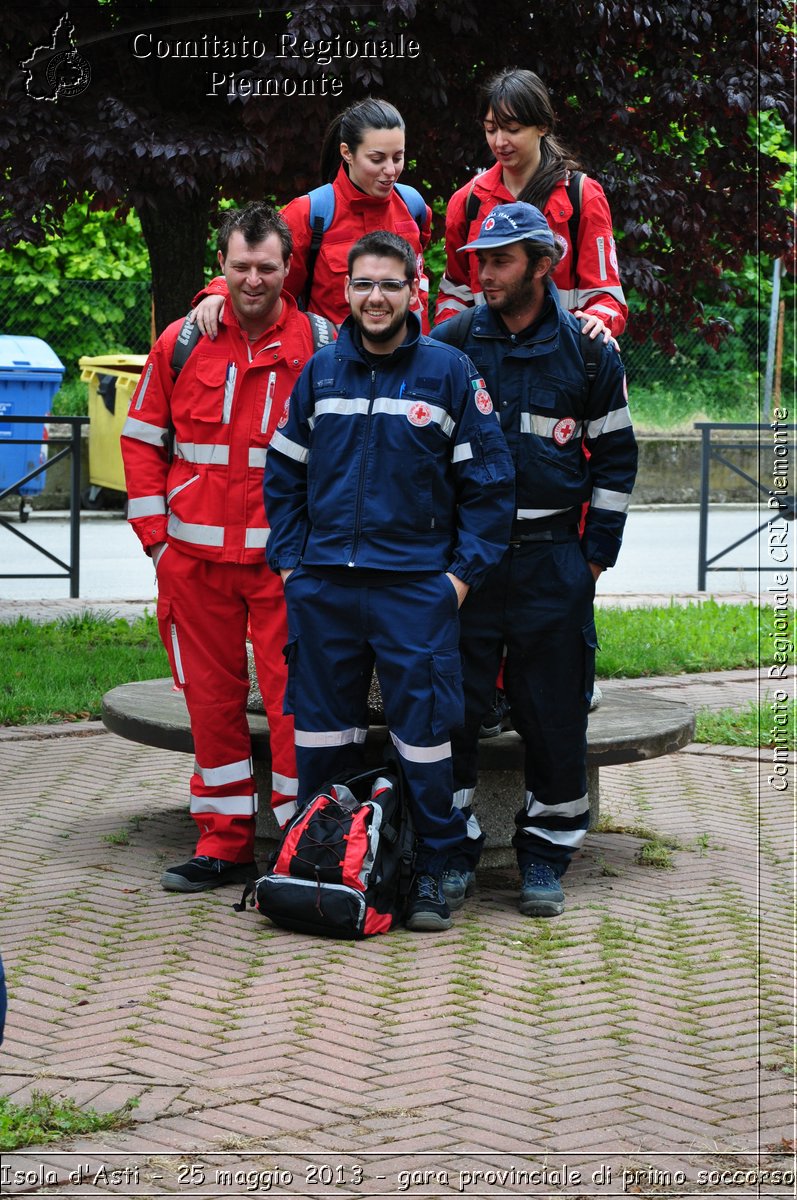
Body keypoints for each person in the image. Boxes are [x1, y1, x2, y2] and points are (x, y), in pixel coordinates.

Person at [263, 230, 515, 932]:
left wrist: (454, 585)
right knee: (320, 738)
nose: (375, 297)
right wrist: (291, 566)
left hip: (414, 592)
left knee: (425, 740)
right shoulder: (320, 373)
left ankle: (431, 869)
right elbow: (282, 476)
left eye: (389, 285)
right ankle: (322, 863)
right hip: (324, 592)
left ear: (414, 292)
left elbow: (490, 491)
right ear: (345, 290)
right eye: (363, 284)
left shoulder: (448, 372)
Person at [432, 202, 638, 918]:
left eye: (499, 260)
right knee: (451, 708)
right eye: (478, 259)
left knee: (553, 715)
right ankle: (450, 854)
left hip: (555, 562)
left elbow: (615, 457)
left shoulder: (587, 352)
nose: (482, 272)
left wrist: (593, 560)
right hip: (471, 564)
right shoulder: (452, 345)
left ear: (542, 265)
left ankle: (545, 856)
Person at [121, 203, 324, 892]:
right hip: (195, 567)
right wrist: (157, 546)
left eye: (266, 267)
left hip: (286, 568)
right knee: (210, 705)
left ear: (287, 267)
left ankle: (302, 844)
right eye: (239, 267)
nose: (253, 279)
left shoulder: (322, 346)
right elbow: (141, 441)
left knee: (298, 705)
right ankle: (223, 843)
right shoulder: (182, 341)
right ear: (222, 267)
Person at [192, 97, 433, 333]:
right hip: (336, 366)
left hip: (412, 363)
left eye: (398, 157)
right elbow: (261, 271)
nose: (390, 170)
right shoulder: (309, 213)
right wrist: (220, 293)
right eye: (377, 159)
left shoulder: (412, 206)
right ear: (347, 153)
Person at [435, 68, 627, 339]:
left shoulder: (582, 196)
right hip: (489, 365)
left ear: (543, 126)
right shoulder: (468, 201)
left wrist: (597, 322)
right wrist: (451, 345)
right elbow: (454, 295)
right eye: (491, 129)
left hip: (560, 361)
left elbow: (606, 296)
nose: (500, 142)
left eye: (512, 129)